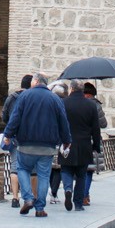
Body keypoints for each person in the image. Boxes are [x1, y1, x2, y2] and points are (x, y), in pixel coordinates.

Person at [5, 75, 71, 217]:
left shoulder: (25, 96)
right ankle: (40, 208)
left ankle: (28, 198)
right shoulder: (55, 99)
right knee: (43, 176)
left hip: (26, 143)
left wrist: (8, 135)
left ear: (35, 82)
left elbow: (15, 118)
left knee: (22, 169)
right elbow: (63, 121)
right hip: (47, 146)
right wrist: (66, 140)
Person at [62, 80, 105, 211]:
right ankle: (79, 203)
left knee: (66, 169)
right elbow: (96, 128)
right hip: (84, 144)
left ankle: (68, 189)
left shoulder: (63, 103)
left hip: (66, 143)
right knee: (81, 174)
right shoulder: (91, 105)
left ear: (71, 89)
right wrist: (96, 145)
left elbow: (59, 123)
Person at [1, 73, 33, 207]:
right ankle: (32, 196)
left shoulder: (11, 98)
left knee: (14, 167)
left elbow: (4, 116)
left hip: (13, 137)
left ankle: (15, 198)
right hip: (30, 138)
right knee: (31, 169)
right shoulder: (32, 98)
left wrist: (9, 131)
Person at [47, 82, 71, 200]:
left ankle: (51, 190)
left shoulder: (50, 104)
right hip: (60, 140)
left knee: (50, 167)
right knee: (58, 168)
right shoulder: (66, 104)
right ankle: (54, 193)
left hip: (50, 139)